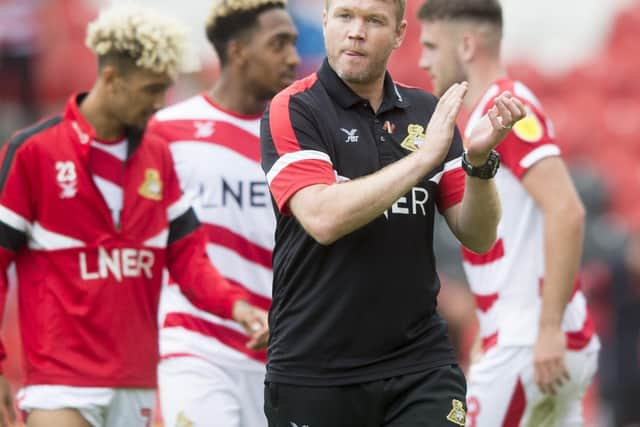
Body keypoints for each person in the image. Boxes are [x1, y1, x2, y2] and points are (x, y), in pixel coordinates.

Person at [0, 5, 269, 427]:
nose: (161, 103)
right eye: (152, 89)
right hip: (60, 380)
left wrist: (237, 307)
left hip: (136, 381)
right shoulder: (34, 151)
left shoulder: (157, 156)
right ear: (111, 79)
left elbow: (188, 261)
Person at [260, 0, 526, 425]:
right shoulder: (294, 108)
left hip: (420, 364)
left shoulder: (427, 114)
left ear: (401, 34)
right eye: (345, 16)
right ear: (326, 22)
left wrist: (478, 163)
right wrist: (422, 161)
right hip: (316, 368)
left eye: (374, 21)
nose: (356, 31)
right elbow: (322, 219)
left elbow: (479, 235)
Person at [417, 1, 600, 426]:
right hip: (527, 335)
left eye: (430, 46)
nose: (423, 60)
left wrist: (547, 328)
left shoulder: (504, 109)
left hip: (530, 340)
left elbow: (566, 209)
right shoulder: (495, 109)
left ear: (465, 45)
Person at [145, 1, 299, 426]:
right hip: (194, 342)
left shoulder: (299, 140)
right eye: (278, 44)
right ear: (238, 51)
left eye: (293, 43)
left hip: (280, 350)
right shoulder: (166, 132)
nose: (292, 57)